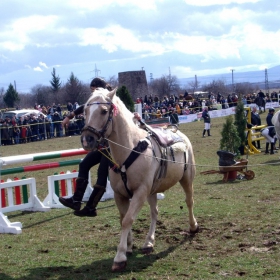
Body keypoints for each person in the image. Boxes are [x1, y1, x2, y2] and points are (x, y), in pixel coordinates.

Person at [59, 77, 112, 217]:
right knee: (84, 164)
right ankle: (76, 200)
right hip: (102, 145)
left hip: (112, 146)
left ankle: (91, 207)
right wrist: (69, 116)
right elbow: (85, 106)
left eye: (93, 90)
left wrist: (69, 117)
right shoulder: (98, 99)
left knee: (101, 174)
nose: (92, 94)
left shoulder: (110, 99)